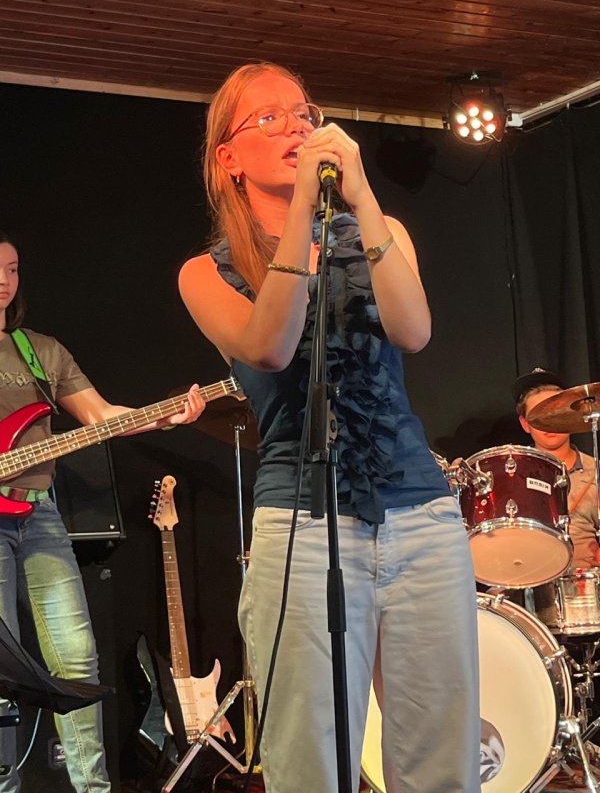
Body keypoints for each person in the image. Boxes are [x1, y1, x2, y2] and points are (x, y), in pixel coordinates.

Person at [178, 62, 480, 793]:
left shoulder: (381, 231)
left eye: (304, 112)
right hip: (303, 527)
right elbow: (270, 347)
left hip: (421, 515)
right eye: (270, 117)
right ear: (228, 157)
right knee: (310, 762)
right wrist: (299, 229)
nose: (296, 126)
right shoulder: (204, 272)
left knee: (442, 763)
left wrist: (362, 197)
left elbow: (414, 331)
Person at [0, 232, 205, 792]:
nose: (4, 281)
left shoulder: (41, 350)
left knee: (77, 660)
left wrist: (161, 417)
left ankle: (94, 788)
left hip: (40, 515)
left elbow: (100, 414)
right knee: (3, 667)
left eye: (13, 269)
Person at [513, 367, 600, 568]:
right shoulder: (511, 473)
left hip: (585, 581)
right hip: (527, 577)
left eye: (554, 414)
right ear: (525, 424)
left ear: (572, 417)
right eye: (538, 416)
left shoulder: (595, 470)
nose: (548, 423)